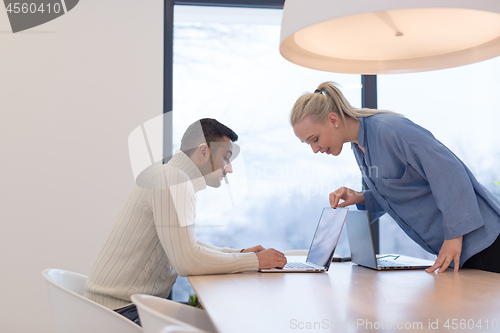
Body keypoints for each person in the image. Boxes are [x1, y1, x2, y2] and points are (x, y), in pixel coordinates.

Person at [84, 118, 287, 325]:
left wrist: (241, 254)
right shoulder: (173, 181)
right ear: (203, 152)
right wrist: (256, 262)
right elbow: (187, 261)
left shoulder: (171, 177)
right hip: (119, 314)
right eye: (226, 158)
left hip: (117, 308)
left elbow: (188, 246)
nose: (230, 169)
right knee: (229, 324)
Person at [290, 81, 500, 274]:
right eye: (308, 144)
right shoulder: (359, 147)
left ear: (333, 119)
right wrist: (362, 198)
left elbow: (450, 172)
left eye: (314, 139)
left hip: (486, 242)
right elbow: (402, 189)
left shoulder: (390, 130)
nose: (315, 149)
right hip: (460, 252)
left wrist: (454, 236)